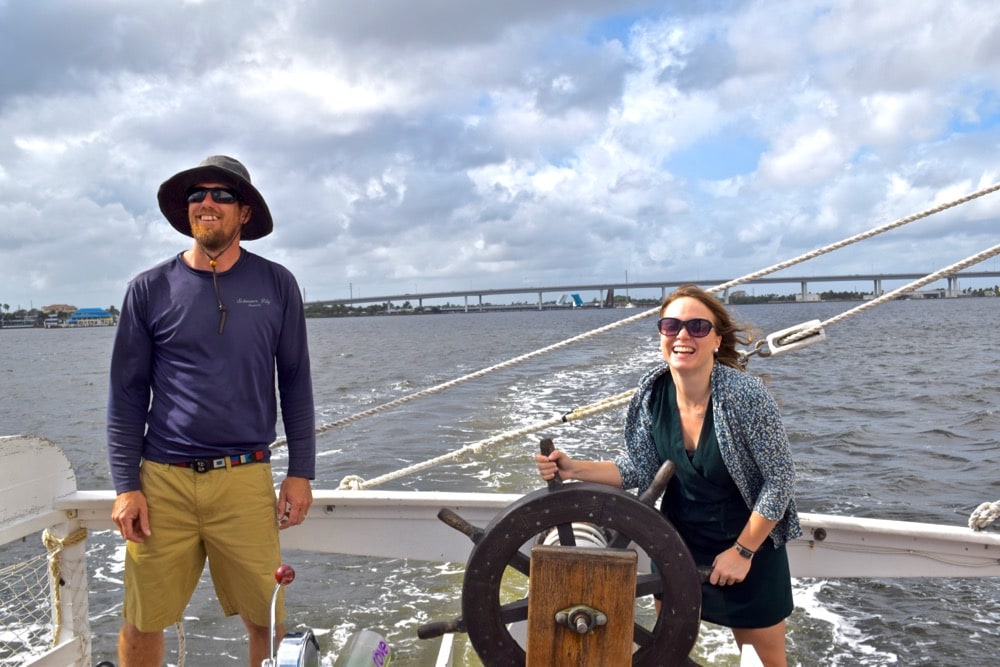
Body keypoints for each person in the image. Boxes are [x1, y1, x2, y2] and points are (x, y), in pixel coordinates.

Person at [107, 155, 316, 667]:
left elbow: (295, 381)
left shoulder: (277, 284)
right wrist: (125, 486)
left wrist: (301, 473)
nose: (207, 203)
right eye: (197, 194)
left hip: (244, 478)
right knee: (141, 620)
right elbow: (127, 393)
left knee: (266, 620)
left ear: (244, 212)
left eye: (222, 195)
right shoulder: (148, 289)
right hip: (162, 482)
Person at [536, 284, 800, 666]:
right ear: (661, 334)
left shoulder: (745, 395)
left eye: (697, 326)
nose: (682, 335)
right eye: (671, 325)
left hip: (751, 546)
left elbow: (779, 480)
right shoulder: (651, 392)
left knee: (767, 662)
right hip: (678, 543)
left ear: (716, 340)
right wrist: (572, 467)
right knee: (669, 654)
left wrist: (742, 552)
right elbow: (638, 467)